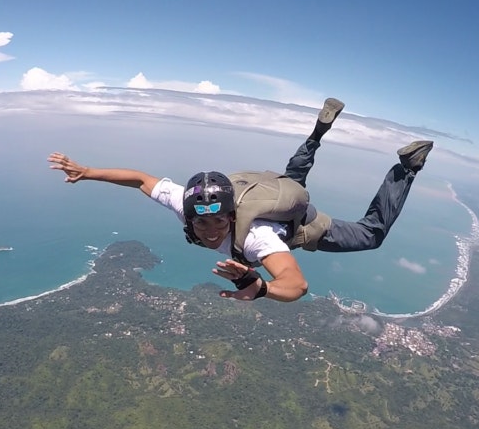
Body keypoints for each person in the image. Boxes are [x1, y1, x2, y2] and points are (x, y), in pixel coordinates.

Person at [47, 98, 433, 303]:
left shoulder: (257, 237)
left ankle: (407, 167)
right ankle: (317, 132)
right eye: (203, 223)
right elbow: (141, 180)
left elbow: (296, 285)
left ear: (232, 214)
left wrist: (261, 287)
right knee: (291, 177)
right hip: (271, 189)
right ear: (191, 215)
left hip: (301, 221)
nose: (213, 229)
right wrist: (88, 172)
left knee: (371, 235)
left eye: (219, 221)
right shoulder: (188, 201)